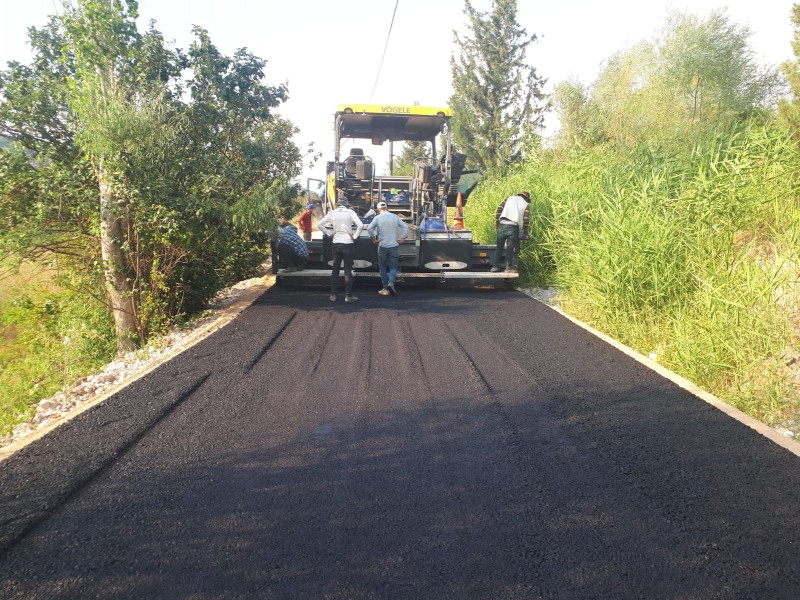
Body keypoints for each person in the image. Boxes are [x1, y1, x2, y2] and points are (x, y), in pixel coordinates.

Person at [317, 197, 364, 303]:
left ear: (338, 204)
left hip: (336, 243)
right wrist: (355, 236)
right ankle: (348, 296)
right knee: (347, 270)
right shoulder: (350, 212)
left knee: (335, 270)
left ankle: (333, 294)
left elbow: (319, 225)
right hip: (348, 243)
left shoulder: (332, 213)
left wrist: (329, 234)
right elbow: (360, 225)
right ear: (347, 204)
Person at [367, 201, 409, 296]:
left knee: (382, 267)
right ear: (387, 208)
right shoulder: (395, 217)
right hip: (394, 246)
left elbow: (369, 229)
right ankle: (391, 282)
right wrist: (403, 238)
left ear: (378, 209)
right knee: (393, 266)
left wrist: (374, 239)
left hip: (382, 246)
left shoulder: (377, 218)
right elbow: (405, 227)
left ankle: (385, 288)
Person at [491, 191, 530, 273]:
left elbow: (499, 209)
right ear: (526, 198)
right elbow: (526, 220)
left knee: (499, 247)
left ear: (519, 195)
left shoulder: (509, 199)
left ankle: (495, 267)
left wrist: (497, 223)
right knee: (510, 248)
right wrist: (525, 232)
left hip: (502, 224)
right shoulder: (526, 204)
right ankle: (508, 268)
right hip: (513, 227)